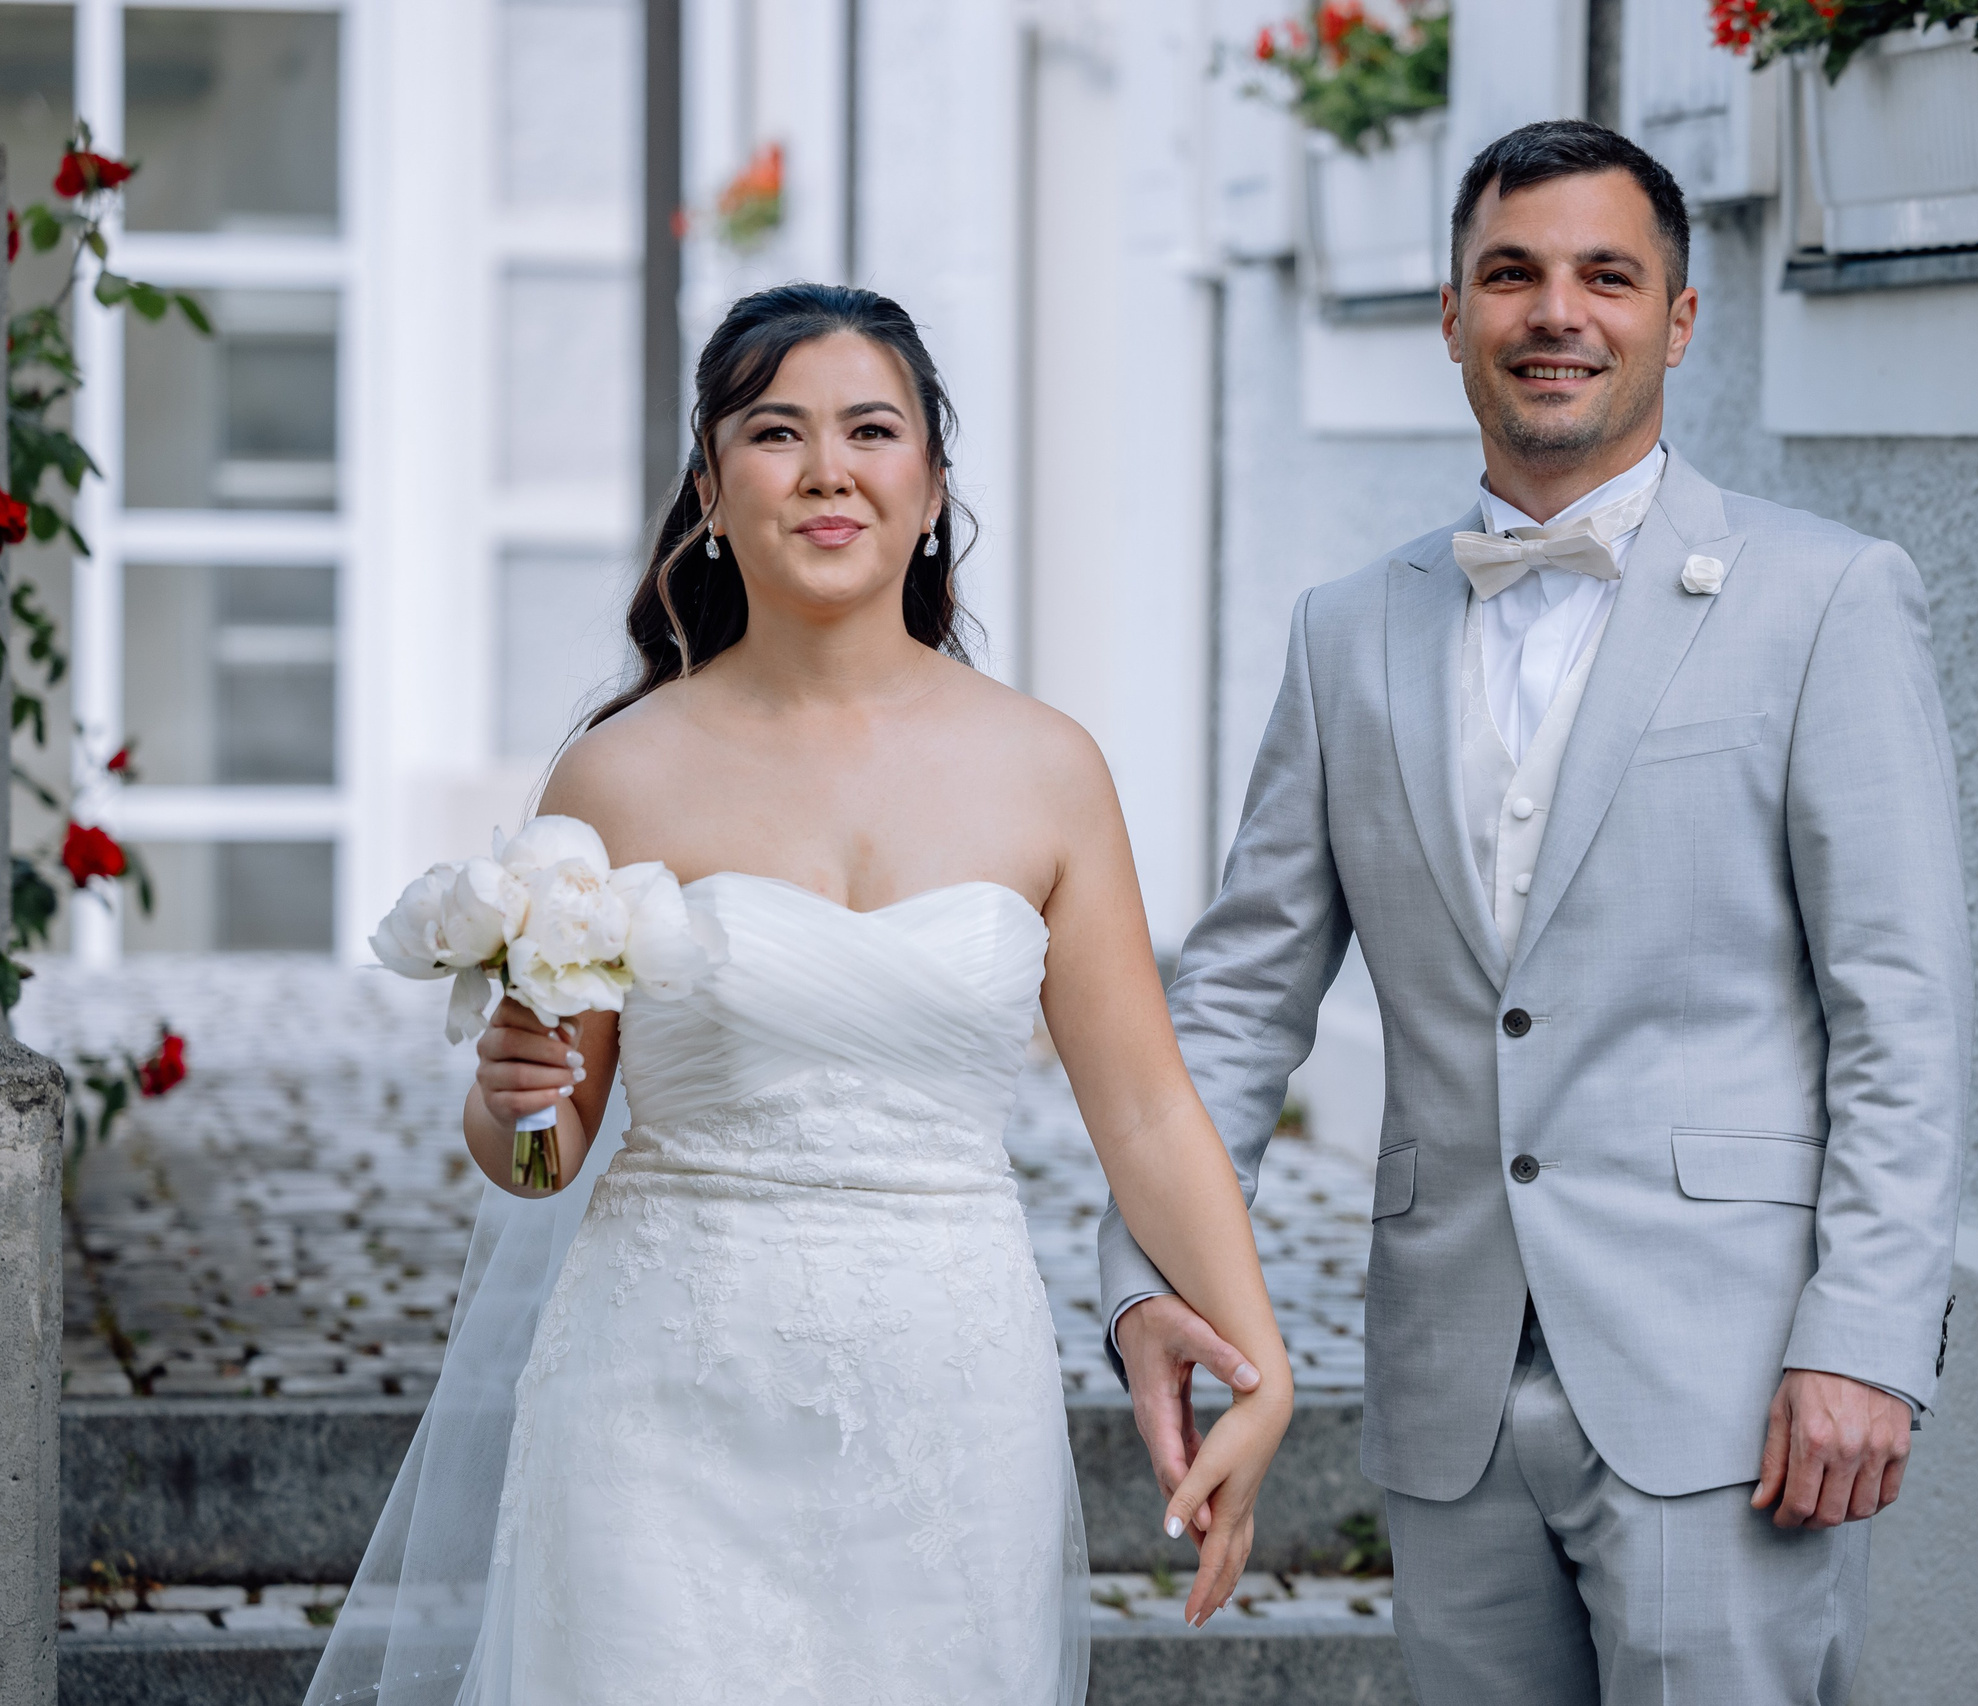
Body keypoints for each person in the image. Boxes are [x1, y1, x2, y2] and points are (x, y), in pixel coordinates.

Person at [309, 284, 1293, 1706]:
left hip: (951, 1385)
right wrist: (508, 1095)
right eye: (776, 433)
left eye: (872, 430)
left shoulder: (1049, 767)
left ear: (932, 485)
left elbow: (1142, 1104)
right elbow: (544, 1156)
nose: (828, 469)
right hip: (662, 1387)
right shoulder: (618, 773)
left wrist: (1260, 1356)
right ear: (711, 488)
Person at [1100, 119, 1970, 1704]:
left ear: (1679, 318)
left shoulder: (1825, 597)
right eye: (1510, 274)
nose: (1555, 312)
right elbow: (1238, 1001)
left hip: (1732, 1390)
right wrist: (1150, 1273)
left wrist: (1865, 1332)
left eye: (1605, 276)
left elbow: (1901, 1009)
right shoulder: (1344, 633)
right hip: (1451, 1386)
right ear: (1451, 316)